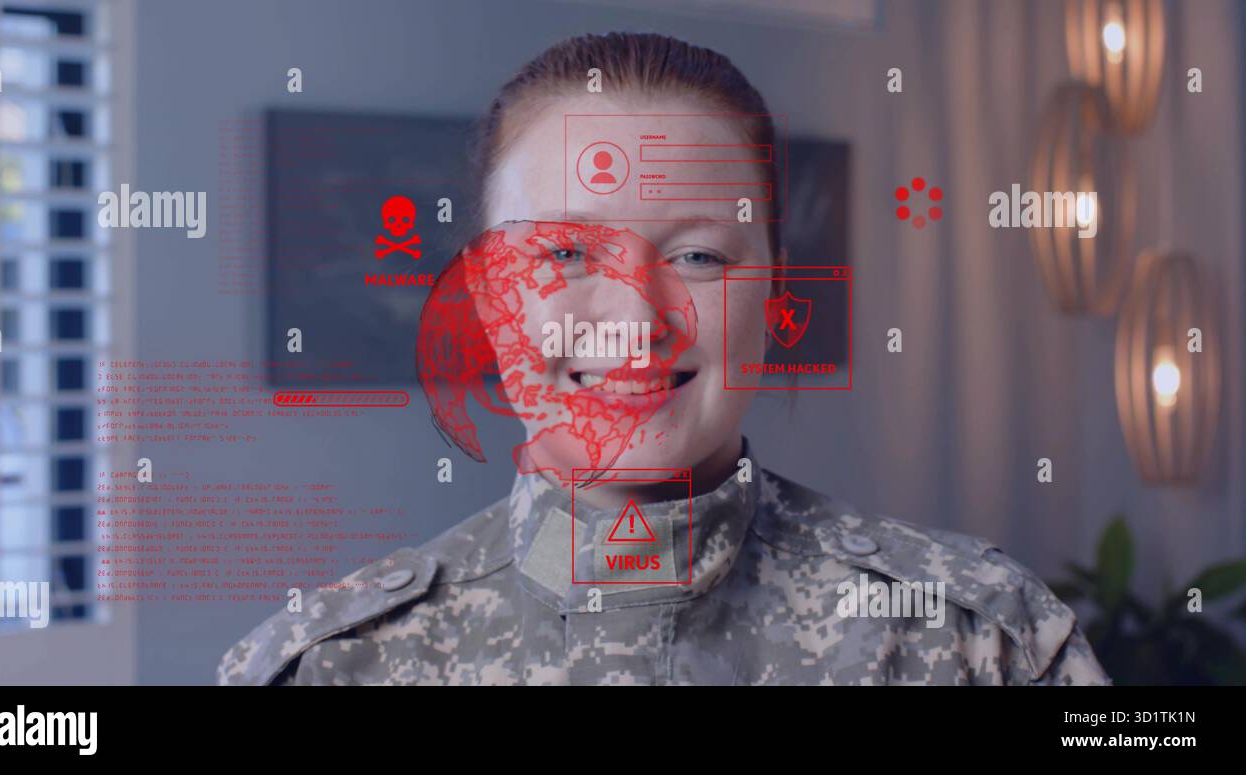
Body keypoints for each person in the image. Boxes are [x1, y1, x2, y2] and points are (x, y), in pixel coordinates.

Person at [218, 32, 1109, 686]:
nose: (636, 316)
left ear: (776, 297)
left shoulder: (983, 641)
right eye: (563, 255)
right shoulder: (329, 665)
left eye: (699, 256)